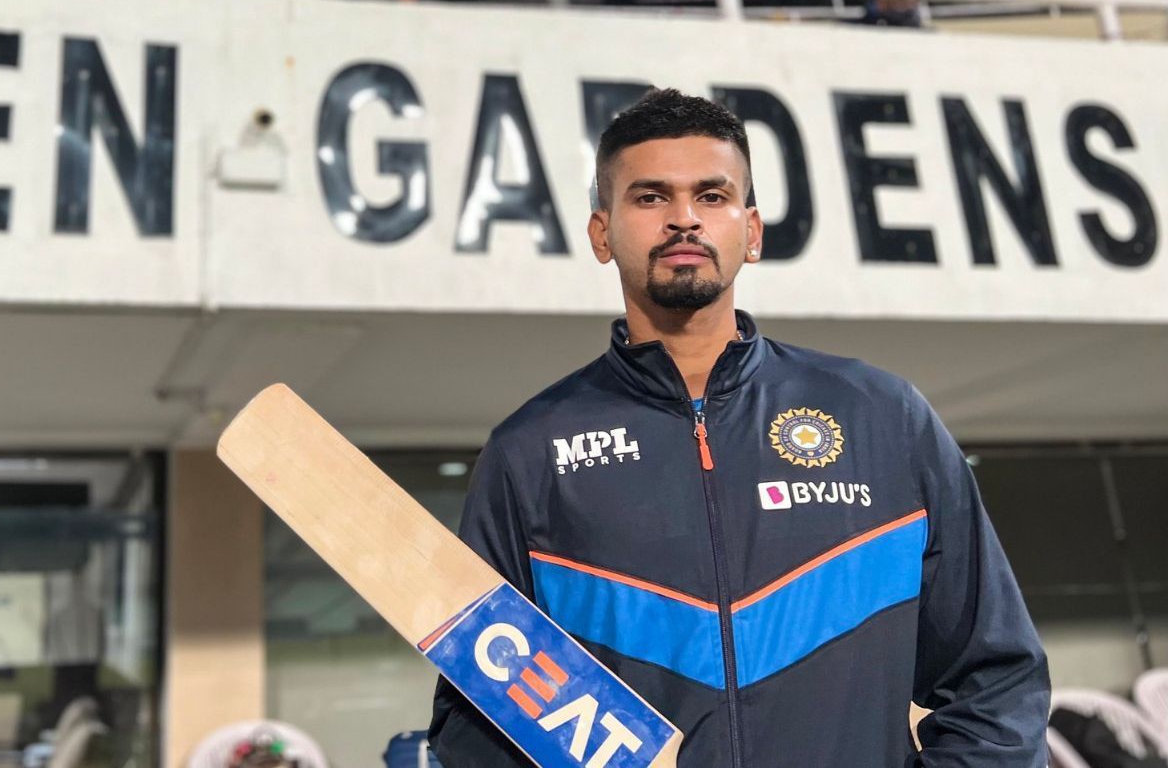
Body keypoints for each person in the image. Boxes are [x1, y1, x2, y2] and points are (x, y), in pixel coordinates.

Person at [428, 88, 1050, 766]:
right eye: (650, 197)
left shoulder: (882, 417)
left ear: (752, 232)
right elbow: (479, 726)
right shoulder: (530, 453)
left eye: (713, 196)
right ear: (601, 233)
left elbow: (997, 680)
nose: (684, 219)